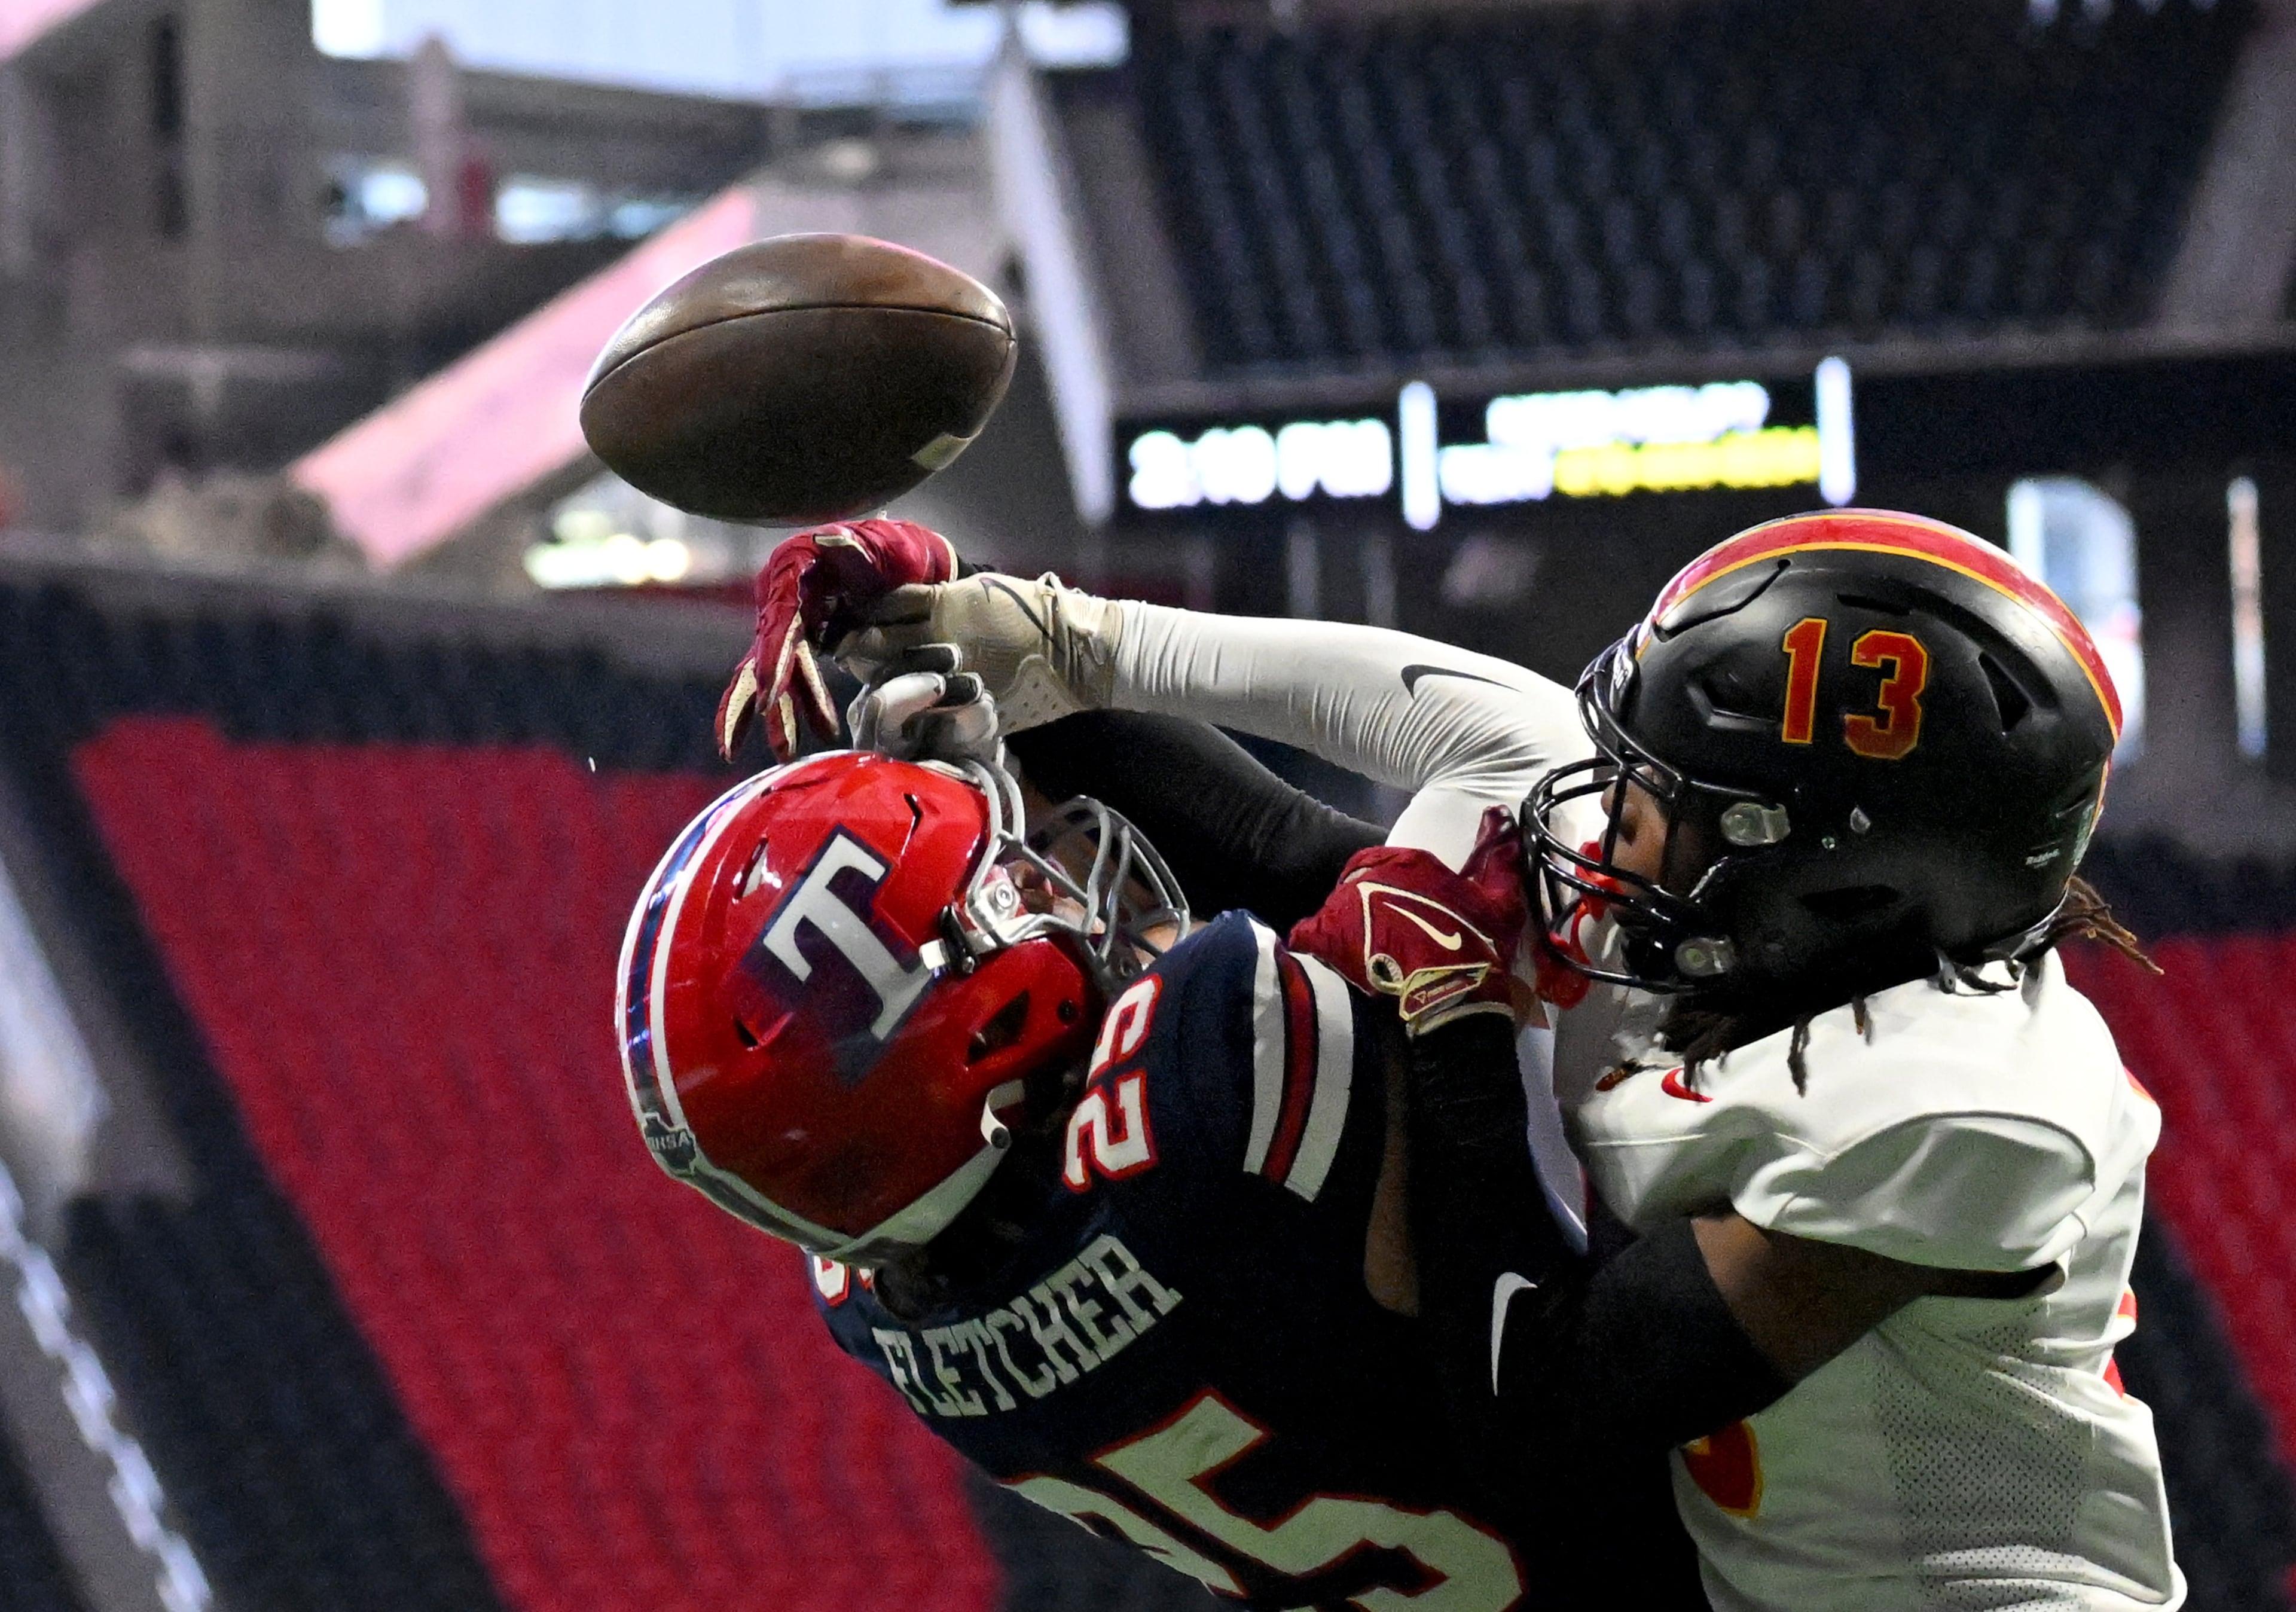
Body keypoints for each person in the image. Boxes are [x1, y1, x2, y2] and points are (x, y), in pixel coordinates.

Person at [727, 508, 2179, 1611]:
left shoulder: (1970, 1103)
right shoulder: (1785, 960)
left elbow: (1540, 1405)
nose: (1609, 822)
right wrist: (1021, 638)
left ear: (1833, 882)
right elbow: (1340, 834)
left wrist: (1466, 1023)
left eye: (1664, 802)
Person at [615, 716, 1697, 1608]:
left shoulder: (890, 1319)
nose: (1046, 885)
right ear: (975, 1037)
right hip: (1708, 1530)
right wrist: (1058, 663)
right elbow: (1317, 852)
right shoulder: (1208, 1073)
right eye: (1005, 894)